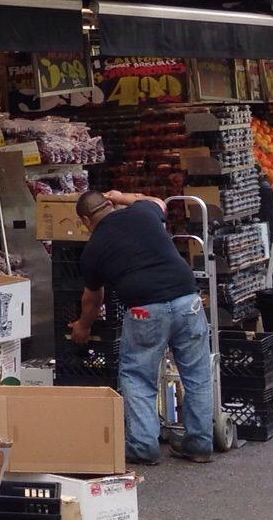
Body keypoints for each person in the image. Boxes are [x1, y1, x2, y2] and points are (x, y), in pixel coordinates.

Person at [68, 188, 215, 464]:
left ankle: (143, 446)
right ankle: (199, 444)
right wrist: (122, 196)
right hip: (188, 300)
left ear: (86, 221)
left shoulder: (93, 249)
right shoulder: (143, 213)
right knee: (196, 375)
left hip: (145, 309)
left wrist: (83, 326)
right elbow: (158, 201)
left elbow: (93, 298)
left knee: (138, 378)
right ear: (109, 205)